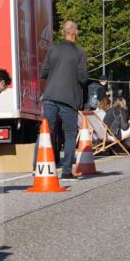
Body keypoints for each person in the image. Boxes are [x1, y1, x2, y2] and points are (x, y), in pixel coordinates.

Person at [38, 20, 89, 180]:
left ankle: (39, 166)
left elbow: (44, 73)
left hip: (50, 96)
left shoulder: (52, 50)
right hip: (69, 99)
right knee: (69, 135)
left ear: (63, 32)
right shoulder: (80, 53)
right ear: (76, 32)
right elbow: (82, 77)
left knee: (46, 132)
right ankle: (66, 171)